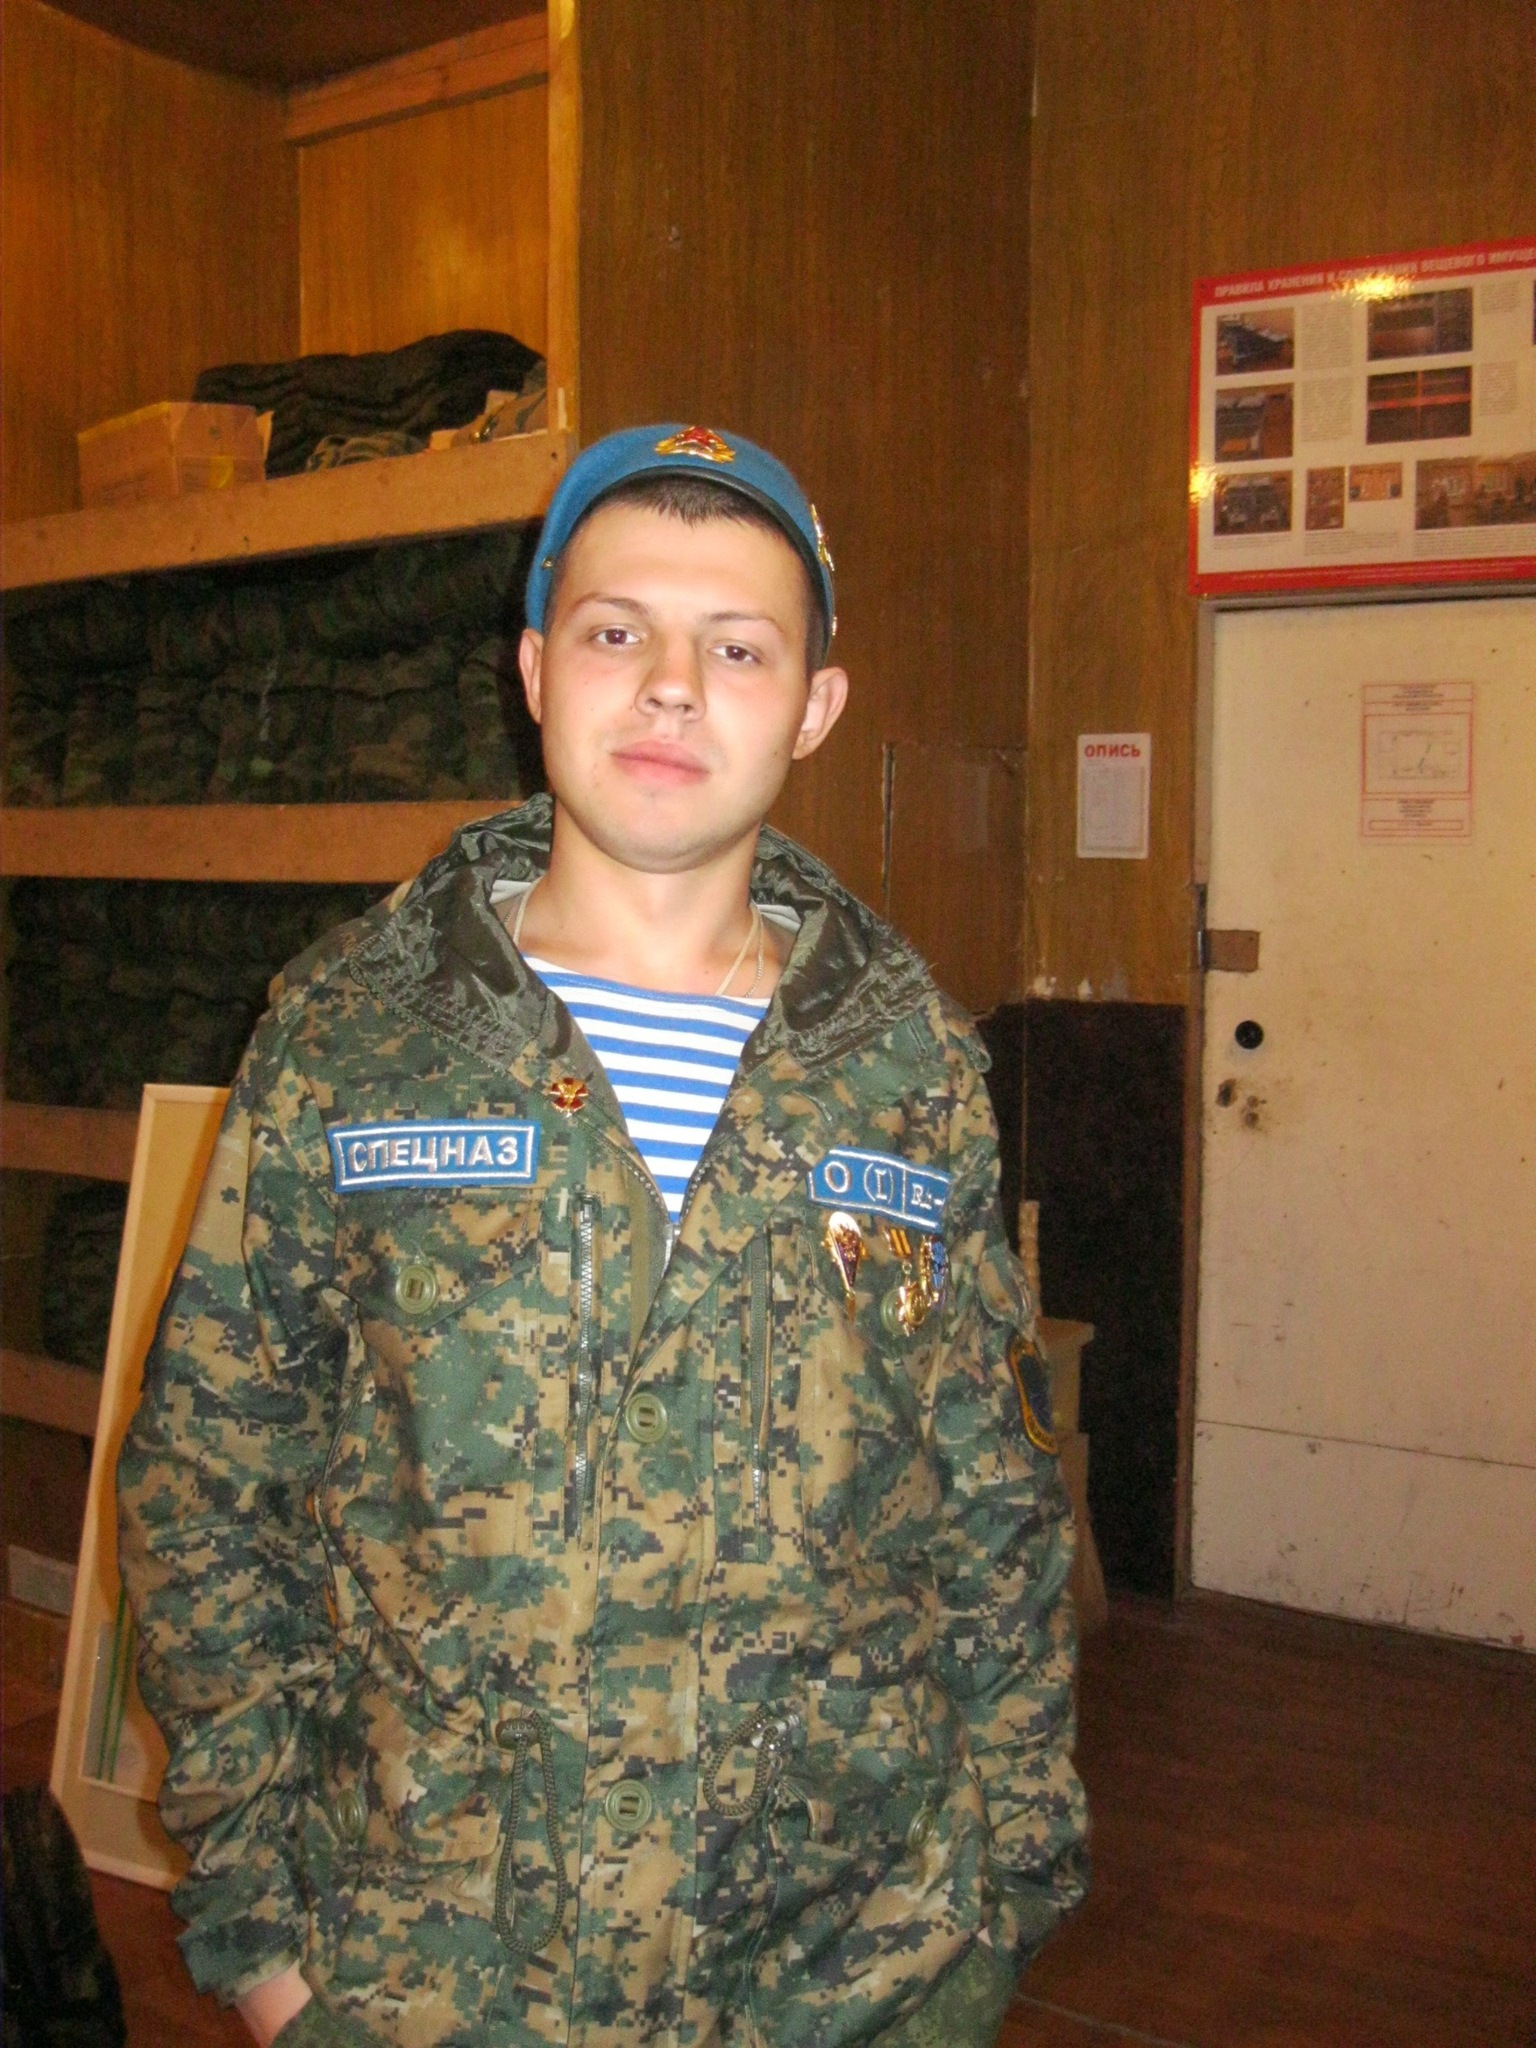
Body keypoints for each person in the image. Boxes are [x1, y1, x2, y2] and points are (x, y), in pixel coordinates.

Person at [118, 424, 1088, 2048]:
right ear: (532, 670)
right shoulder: (353, 1038)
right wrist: (270, 1949)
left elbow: (993, 1502)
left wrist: (1012, 1883)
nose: (671, 690)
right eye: (616, 630)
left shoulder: (908, 1063)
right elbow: (210, 1486)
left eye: (739, 648)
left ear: (815, 708)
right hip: (440, 1980)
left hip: (849, 1977)